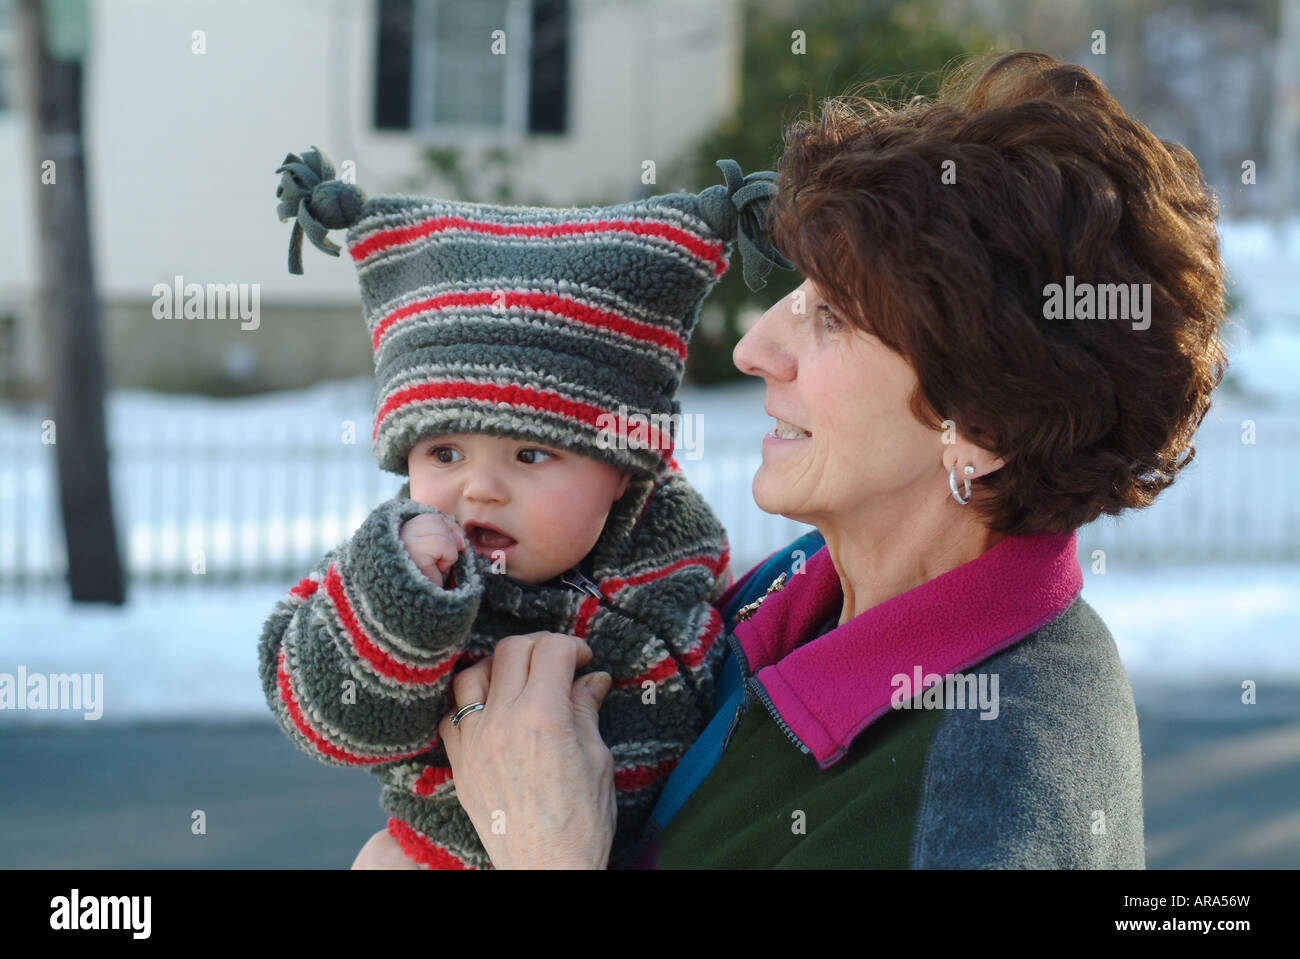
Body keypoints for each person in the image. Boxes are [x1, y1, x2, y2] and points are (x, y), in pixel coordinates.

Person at [352, 50, 1229, 869]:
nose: (757, 346)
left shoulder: (992, 805)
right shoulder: (810, 580)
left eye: (836, 316)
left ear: (985, 425)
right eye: (798, 293)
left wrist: (549, 854)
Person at [257, 147, 792, 868]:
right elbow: (326, 714)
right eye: (444, 453)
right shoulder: (407, 577)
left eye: (531, 455)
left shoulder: (673, 550)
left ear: (622, 468)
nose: (479, 488)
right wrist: (401, 601)